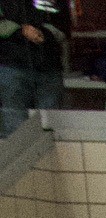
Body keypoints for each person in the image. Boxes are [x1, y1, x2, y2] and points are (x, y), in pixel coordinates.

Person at [0, 0, 67, 133]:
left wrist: (43, 33)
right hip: (11, 65)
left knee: (50, 129)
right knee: (16, 132)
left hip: (48, 66)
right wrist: (20, 32)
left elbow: (63, 20)